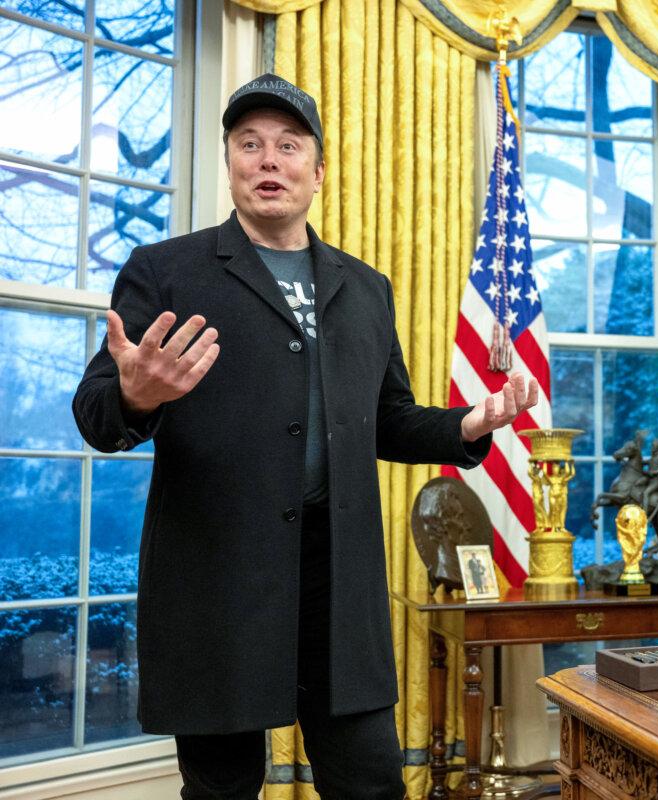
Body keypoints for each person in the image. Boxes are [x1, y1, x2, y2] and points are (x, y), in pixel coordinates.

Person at [72, 73, 538, 799]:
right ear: (229, 162)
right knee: (222, 786)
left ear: (317, 172)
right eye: (249, 144)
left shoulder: (367, 287)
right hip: (218, 576)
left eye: (288, 145)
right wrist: (135, 394)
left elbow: (386, 419)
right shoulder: (165, 271)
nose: (268, 160)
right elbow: (96, 413)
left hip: (339, 578)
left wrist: (468, 425)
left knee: (371, 781)